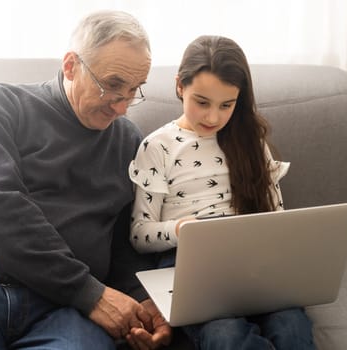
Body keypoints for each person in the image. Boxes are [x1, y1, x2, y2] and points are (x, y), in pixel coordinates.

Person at [0, 10, 172, 350]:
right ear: (71, 65)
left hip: (63, 309)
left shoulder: (128, 141)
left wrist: (143, 302)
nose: (122, 107)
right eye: (113, 85)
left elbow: (122, 242)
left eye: (135, 90)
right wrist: (90, 294)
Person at [128, 35, 315, 350]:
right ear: (179, 86)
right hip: (188, 260)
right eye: (202, 102)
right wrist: (181, 229)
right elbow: (139, 234)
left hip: (254, 258)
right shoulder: (158, 146)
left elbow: (278, 220)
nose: (213, 117)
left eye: (226, 105)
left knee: (291, 326)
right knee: (224, 335)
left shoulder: (250, 142)